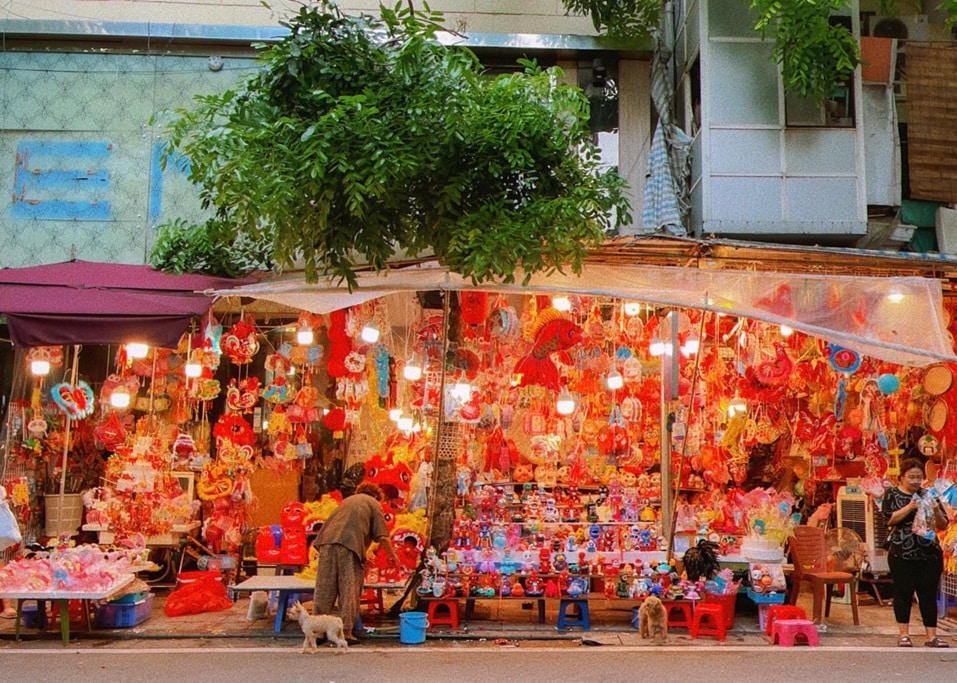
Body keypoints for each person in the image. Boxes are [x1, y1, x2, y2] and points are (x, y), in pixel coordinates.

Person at [312, 482, 398, 643]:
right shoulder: (373, 503)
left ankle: (318, 631)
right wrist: (393, 556)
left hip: (326, 542)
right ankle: (346, 631)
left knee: (325, 587)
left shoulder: (348, 501)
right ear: (377, 496)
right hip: (349, 545)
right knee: (349, 588)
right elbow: (382, 536)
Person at [881, 457, 951, 648]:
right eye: (911, 477)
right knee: (903, 592)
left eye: (918, 477)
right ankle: (904, 634)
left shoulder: (929, 494)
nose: (915, 481)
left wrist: (935, 509)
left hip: (928, 552)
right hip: (902, 552)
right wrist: (911, 506)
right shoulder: (892, 494)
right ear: (901, 477)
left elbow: (943, 524)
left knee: (928, 593)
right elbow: (889, 519)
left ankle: (931, 636)